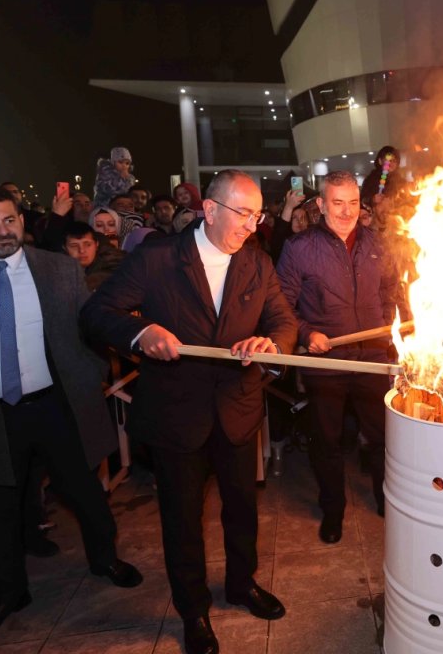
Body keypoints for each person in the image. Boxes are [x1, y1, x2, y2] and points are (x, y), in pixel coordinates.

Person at [81, 170, 298, 654]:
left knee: (242, 510)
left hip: (238, 409)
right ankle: (193, 609)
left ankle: (242, 585)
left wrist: (270, 343)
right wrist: (141, 335)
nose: (252, 225)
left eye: (258, 214)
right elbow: (97, 313)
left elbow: (284, 322)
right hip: (178, 415)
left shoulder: (258, 263)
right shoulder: (158, 257)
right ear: (211, 210)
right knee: (182, 519)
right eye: (244, 214)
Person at [0, 185, 142, 643]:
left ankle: (104, 557)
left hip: (55, 402)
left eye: (8, 220)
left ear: (22, 220)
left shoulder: (58, 268)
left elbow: (93, 324)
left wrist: (100, 366)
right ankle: (8, 593)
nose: (1, 231)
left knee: (85, 489)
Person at [276, 171, 401, 542]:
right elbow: (281, 304)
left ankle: (385, 499)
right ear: (321, 204)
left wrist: (396, 332)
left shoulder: (378, 244)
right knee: (327, 441)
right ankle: (333, 510)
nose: (346, 211)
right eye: (337, 202)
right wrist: (306, 333)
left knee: (381, 438)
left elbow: (392, 294)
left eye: (352, 202)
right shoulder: (299, 248)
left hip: (373, 358)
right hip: (326, 364)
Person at [64, 221, 124, 291]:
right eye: (74, 246)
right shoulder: (59, 266)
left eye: (87, 244)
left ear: (96, 244)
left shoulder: (112, 258)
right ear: (64, 248)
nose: (82, 250)